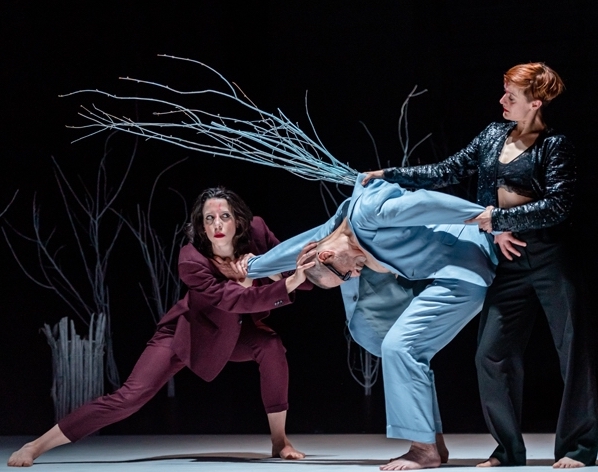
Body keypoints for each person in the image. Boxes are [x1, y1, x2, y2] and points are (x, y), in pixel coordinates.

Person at [362, 62, 597, 468]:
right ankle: (507, 450)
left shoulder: (554, 145)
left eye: (511, 96)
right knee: (491, 354)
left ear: (535, 103)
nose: (501, 100)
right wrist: (391, 175)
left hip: (550, 257)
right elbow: (447, 170)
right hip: (506, 260)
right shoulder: (492, 135)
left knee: (573, 351)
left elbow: (558, 205)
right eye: (503, 91)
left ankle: (578, 447)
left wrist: (499, 220)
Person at [8, 186, 313, 467]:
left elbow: (292, 266)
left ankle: (279, 441)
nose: (217, 224)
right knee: (128, 398)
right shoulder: (191, 260)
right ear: (201, 226)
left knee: (270, 345)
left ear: (239, 221)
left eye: (224, 216)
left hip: (233, 333)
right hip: (188, 334)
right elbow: (233, 301)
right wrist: (254, 279)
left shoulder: (257, 232)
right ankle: (35, 446)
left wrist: (272, 269)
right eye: (209, 218)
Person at [238, 175, 498, 470]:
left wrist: (486, 216)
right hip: (449, 269)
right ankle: (432, 443)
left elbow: (425, 202)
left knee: (401, 347)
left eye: (344, 274)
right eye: (347, 277)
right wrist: (254, 266)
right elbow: (298, 247)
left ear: (328, 255)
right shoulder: (338, 226)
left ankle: (423, 450)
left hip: (462, 269)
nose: (355, 275)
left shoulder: (368, 211)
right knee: (395, 346)